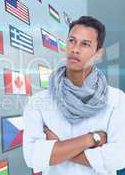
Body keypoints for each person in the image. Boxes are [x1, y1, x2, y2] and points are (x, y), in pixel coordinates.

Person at [23, 16, 125, 174]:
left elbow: (118, 157)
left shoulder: (116, 100)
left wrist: (58, 146)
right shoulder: (39, 101)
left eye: (85, 44)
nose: (75, 49)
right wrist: (90, 140)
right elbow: (31, 156)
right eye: (72, 40)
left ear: (98, 53)